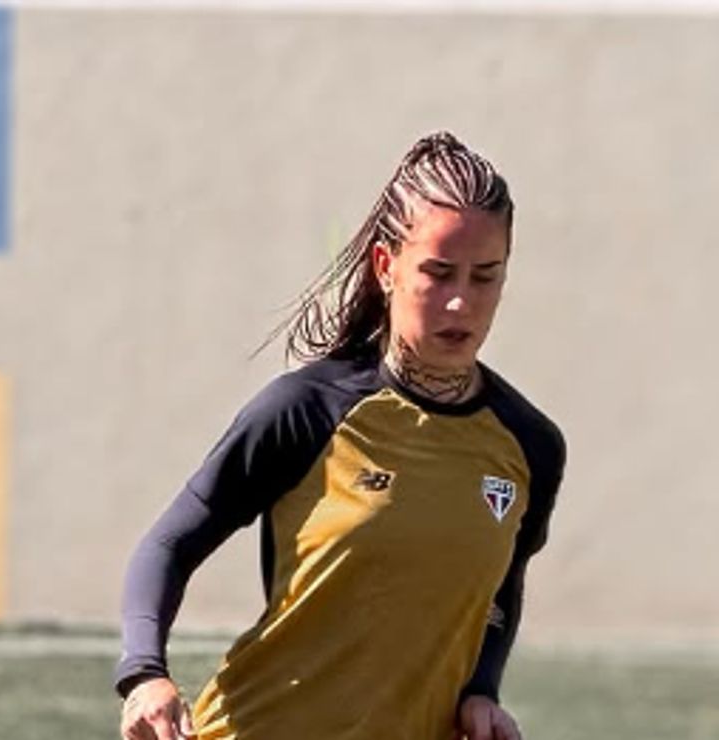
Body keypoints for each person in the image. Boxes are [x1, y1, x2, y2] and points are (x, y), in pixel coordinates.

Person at [115, 131, 566, 740]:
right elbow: (169, 543)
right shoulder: (307, 410)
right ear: (387, 267)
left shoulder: (529, 445)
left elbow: (501, 589)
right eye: (438, 273)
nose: (461, 303)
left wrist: (481, 690)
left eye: (485, 277)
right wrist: (145, 674)